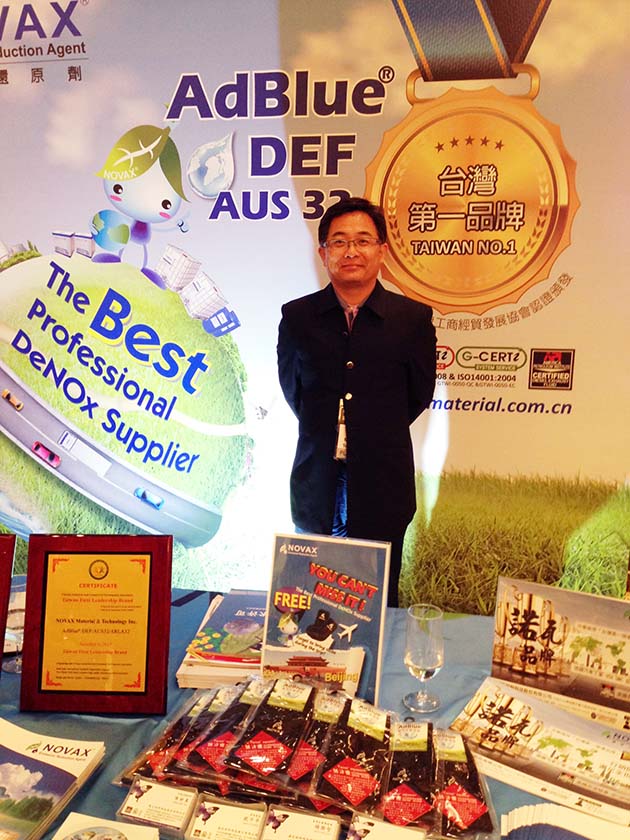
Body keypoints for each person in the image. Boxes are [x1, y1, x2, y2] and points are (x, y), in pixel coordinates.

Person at [277, 197, 436, 606]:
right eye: (339, 241)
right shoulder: (297, 317)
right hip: (317, 480)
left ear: (382, 250)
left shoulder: (412, 320)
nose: (351, 251)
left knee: (377, 603)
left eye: (363, 241)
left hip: (384, 482)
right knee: (312, 600)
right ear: (323, 253)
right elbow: (294, 390)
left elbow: (418, 395)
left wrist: (371, 428)